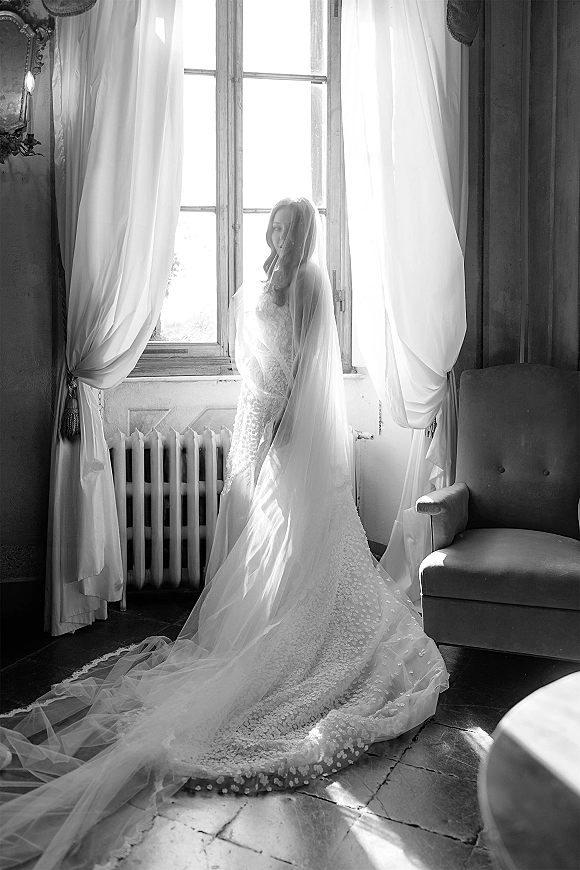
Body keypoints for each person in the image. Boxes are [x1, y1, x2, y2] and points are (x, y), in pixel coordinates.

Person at [0, 198, 448, 869]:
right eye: (274, 225)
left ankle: (302, 637)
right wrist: (249, 440)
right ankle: (270, 627)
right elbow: (258, 372)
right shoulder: (259, 281)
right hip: (253, 419)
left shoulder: (310, 285)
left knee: (305, 552)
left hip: (289, 435)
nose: (278, 235)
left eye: (290, 228)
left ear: (307, 235)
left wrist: (271, 446)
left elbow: (300, 375)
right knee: (257, 550)